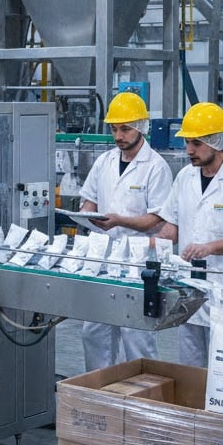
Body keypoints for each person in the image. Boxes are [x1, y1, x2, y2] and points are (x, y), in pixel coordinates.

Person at [132, 102, 223, 367]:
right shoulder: (185, 177)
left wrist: (209, 247)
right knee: (190, 364)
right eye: (187, 143)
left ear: (216, 141)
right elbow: (172, 228)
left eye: (196, 143)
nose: (189, 150)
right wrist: (143, 246)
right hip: (190, 290)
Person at [78, 91, 172, 370]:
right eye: (114, 129)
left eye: (125, 129)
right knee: (94, 332)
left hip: (137, 262)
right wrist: (87, 215)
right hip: (103, 258)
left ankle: (143, 391)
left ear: (141, 127)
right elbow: (89, 200)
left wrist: (119, 221)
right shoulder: (105, 161)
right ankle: (99, 388)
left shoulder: (156, 167)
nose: (118, 136)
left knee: (136, 336)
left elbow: (158, 219)